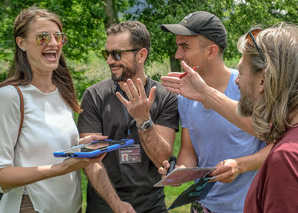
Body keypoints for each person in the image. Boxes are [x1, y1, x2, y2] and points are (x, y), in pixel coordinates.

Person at [158, 11, 272, 213]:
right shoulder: (185, 96)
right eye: (178, 47)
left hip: (248, 206)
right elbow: (189, 150)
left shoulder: (250, 86)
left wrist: (239, 165)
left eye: (185, 47)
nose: (177, 55)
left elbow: (276, 147)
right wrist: (182, 171)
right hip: (204, 207)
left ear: (211, 52)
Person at [0, 6, 107, 213]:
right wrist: (60, 169)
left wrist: (79, 146)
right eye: (42, 38)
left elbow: (46, 147)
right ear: (21, 43)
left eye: (58, 37)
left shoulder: (62, 92)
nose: (53, 43)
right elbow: (2, 177)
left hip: (72, 207)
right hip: (31, 207)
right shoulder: (10, 96)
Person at [77, 21, 179, 213]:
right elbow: (90, 160)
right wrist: (116, 204)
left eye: (116, 54)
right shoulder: (94, 96)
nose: (109, 61)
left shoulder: (165, 96)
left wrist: (143, 120)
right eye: (106, 54)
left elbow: (162, 160)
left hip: (152, 205)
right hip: (104, 205)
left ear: (141, 55)